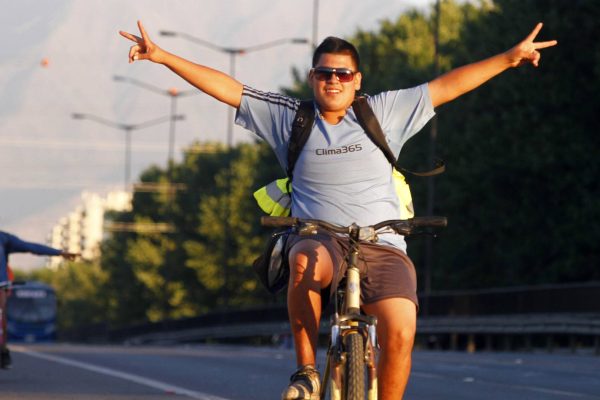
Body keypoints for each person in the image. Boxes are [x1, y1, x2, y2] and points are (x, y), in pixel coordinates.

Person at [120, 21, 556, 399]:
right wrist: (162, 57)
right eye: (325, 73)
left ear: (356, 79)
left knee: (401, 330)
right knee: (305, 259)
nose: (333, 80)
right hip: (320, 236)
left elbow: (447, 85)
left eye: (342, 74)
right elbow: (227, 88)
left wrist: (508, 57)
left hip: (382, 242)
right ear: (312, 78)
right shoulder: (291, 118)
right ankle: (307, 372)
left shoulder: (383, 112)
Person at [0, 231, 78, 369]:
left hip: (1, 285)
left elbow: (31, 247)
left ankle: (3, 351)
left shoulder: (3, 238)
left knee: (2, 317)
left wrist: (59, 253)